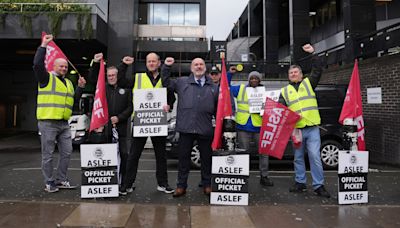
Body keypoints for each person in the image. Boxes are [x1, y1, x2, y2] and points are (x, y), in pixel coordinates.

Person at [33, 34, 86, 193]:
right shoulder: (46, 78)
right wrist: (43, 45)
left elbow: (73, 100)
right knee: (48, 154)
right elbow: (36, 65)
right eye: (61, 66)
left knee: (67, 152)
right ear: (53, 66)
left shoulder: (69, 83)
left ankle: (61, 179)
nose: (64, 68)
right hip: (48, 122)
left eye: (65, 66)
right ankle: (49, 182)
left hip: (64, 123)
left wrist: (80, 87)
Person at [118, 53, 175, 195]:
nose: (151, 63)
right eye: (149, 61)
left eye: (153, 61)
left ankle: (163, 184)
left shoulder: (164, 78)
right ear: (146, 63)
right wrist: (124, 65)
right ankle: (127, 185)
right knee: (134, 155)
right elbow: (121, 82)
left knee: (161, 155)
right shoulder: (138, 78)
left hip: (158, 121)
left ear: (159, 63)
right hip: (140, 121)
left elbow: (171, 96)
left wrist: (169, 105)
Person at [162, 58, 219, 197]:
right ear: (191, 68)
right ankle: (181, 186)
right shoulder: (182, 82)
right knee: (183, 160)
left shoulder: (213, 86)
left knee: (206, 159)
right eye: (196, 64)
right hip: (186, 128)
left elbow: (218, 108)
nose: (198, 66)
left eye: (201, 64)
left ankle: (207, 184)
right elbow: (166, 83)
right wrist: (166, 67)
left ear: (205, 67)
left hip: (205, 128)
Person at [279, 43, 330, 198]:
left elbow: (317, 69)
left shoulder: (309, 83)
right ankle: (300, 182)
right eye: (291, 73)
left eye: (296, 72)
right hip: (297, 130)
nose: (293, 74)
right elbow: (281, 110)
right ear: (289, 76)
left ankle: (318, 185)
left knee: (315, 156)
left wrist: (313, 53)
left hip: (312, 127)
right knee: (298, 158)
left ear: (301, 75)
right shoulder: (284, 91)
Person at [87, 53, 133, 189]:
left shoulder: (126, 87)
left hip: (122, 129)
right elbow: (93, 78)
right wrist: (95, 62)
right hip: (105, 129)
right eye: (109, 75)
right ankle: (107, 184)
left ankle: (123, 184)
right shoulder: (102, 88)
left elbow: (131, 107)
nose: (111, 77)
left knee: (125, 156)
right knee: (106, 156)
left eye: (114, 75)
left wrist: (119, 118)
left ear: (118, 75)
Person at [228, 69, 274, 187]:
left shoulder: (265, 92)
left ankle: (264, 176)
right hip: (243, 126)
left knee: (264, 153)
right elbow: (226, 87)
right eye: (252, 78)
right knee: (244, 153)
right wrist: (230, 74)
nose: (254, 80)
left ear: (259, 80)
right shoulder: (241, 89)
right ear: (249, 80)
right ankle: (243, 176)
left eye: (256, 78)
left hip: (259, 126)